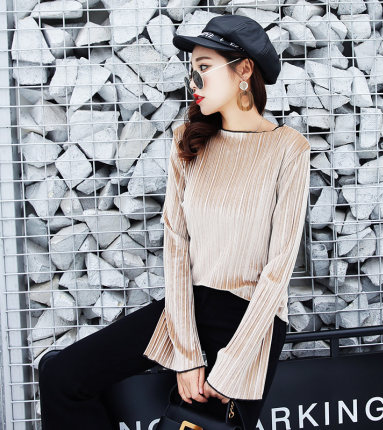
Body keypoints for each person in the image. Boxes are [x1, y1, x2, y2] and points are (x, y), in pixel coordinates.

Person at [38, 14, 311, 430]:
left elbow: (279, 268)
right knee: (62, 377)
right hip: (186, 309)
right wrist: (186, 355)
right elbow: (177, 244)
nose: (193, 81)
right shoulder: (189, 140)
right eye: (191, 69)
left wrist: (231, 366)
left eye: (204, 67)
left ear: (244, 70)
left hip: (249, 321)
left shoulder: (288, 148)